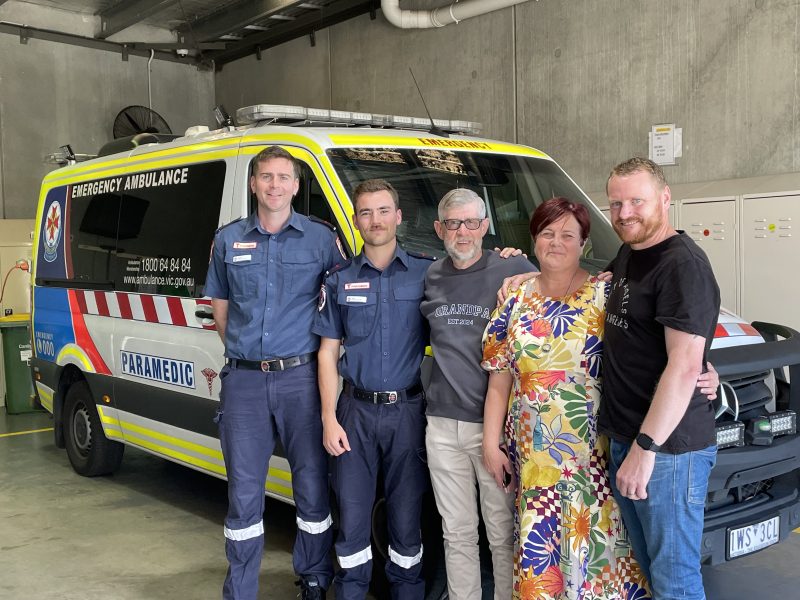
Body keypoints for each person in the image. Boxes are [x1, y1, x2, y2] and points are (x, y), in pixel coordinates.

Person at [481, 197, 651, 600]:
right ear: (534, 240)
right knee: (543, 568)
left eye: (567, 235)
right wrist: (491, 443)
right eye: (547, 233)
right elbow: (499, 382)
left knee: (601, 559)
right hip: (535, 463)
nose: (556, 242)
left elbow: (657, 345)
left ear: (584, 244)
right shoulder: (514, 300)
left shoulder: (605, 297)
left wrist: (703, 367)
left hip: (593, 458)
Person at [205, 146, 341, 600]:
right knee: (244, 494)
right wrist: (246, 355)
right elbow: (221, 310)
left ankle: (315, 578)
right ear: (253, 183)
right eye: (267, 177)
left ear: (297, 186)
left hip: (301, 379)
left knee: (311, 486)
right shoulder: (227, 240)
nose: (275, 185)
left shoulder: (320, 240)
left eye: (284, 177)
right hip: (243, 380)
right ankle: (241, 589)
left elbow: (338, 308)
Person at [598, 158, 720, 600]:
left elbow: (685, 366)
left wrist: (644, 450)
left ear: (666, 198)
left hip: (667, 452)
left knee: (676, 582)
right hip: (630, 439)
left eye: (636, 201)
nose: (624, 212)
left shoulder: (682, 265)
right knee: (652, 573)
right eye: (616, 202)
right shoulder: (632, 251)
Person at [313, 179, 433, 600]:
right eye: (365, 212)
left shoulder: (426, 271)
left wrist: (510, 261)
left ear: (398, 217)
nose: (375, 220)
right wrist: (329, 418)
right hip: (354, 414)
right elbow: (327, 354)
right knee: (353, 522)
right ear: (355, 220)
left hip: (408, 414)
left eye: (383, 211)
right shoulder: (339, 280)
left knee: (405, 522)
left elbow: (472, 278)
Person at [420, 188, 536, 600]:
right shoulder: (430, 276)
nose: (463, 232)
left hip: (495, 431)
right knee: (457, 533)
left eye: (472, 222)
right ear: (439, 229)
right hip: (441, 426)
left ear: (486, 226)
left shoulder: (515, 267)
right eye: (453, 223)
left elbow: (561, 291)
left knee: (503, 534)